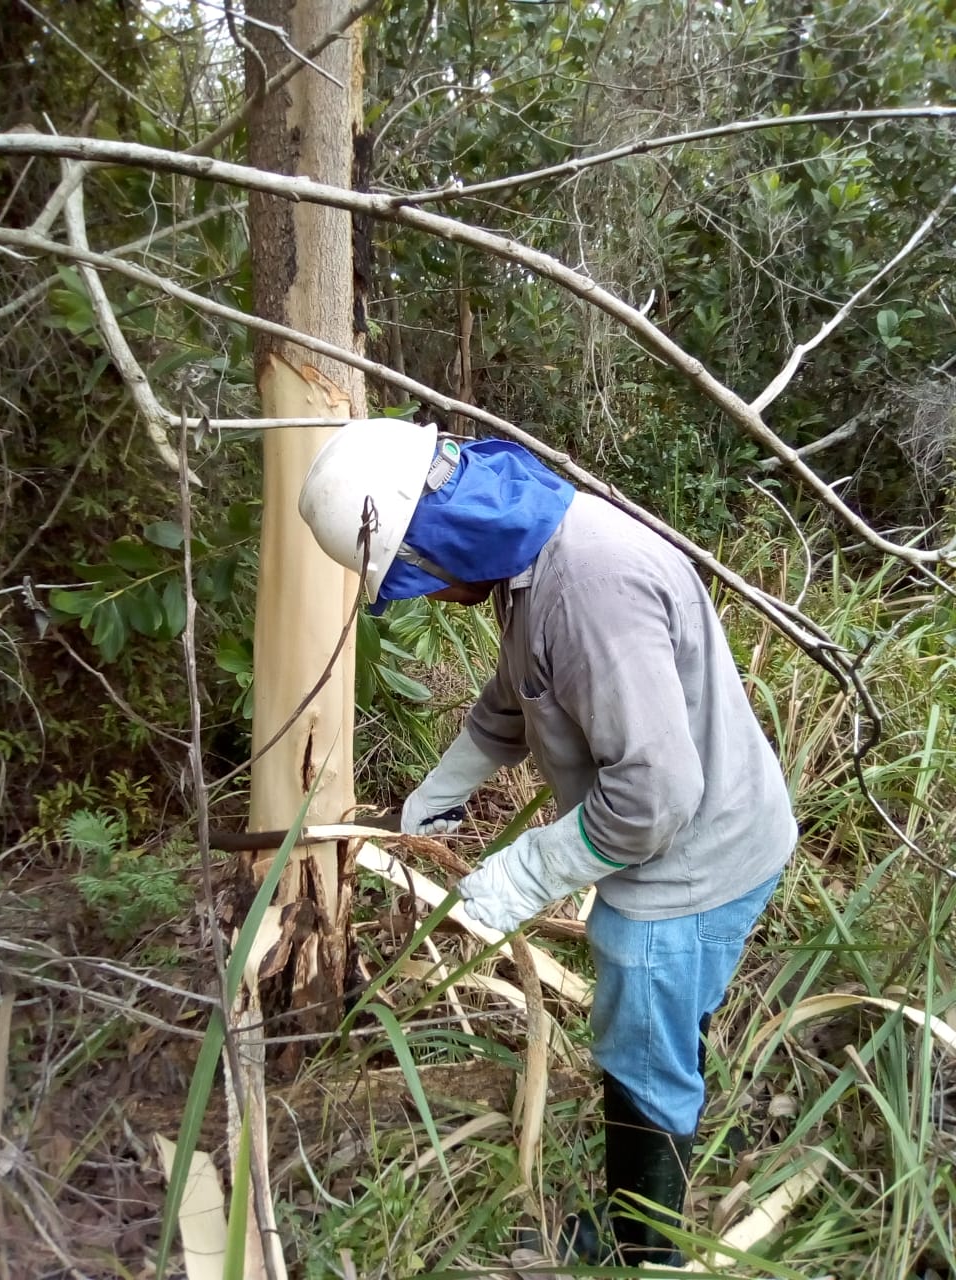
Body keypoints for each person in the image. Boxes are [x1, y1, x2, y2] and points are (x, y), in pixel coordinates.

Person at [298, 419, 798, 1267]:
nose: (425, 591)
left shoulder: (587, 589)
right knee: (666, 1031)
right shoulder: (541, 564)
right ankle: (664, 1156)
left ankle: (645, 1251)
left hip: (690, 866)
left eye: (413, 574)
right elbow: (513, 697)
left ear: (433, 542)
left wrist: (524, 872)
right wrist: (439, 792)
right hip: (712, 829)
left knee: (642, 1049)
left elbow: (654, 798)